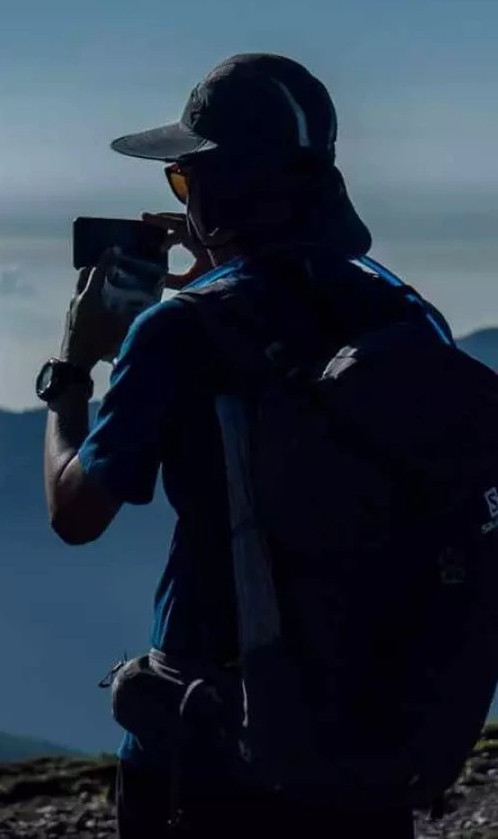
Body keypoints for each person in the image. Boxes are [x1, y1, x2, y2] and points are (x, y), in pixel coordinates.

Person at [37, 53, 444, 837]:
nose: (182, 200)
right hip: (366, 731)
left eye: (185, 180)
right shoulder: (402, 314)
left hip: (208, 740)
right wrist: (221, 278)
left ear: (221, 187)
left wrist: (72, 376)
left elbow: (76, 512)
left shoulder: (178, 332)